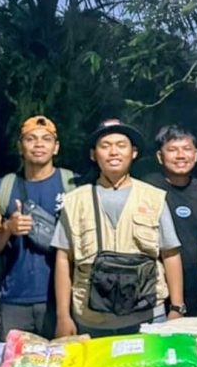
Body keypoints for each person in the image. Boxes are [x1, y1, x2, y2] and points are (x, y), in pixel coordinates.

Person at [52, 118, 185, 337]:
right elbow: (63, 258)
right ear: (94, 155)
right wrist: (63, 317)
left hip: (148, 317)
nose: (113, 152)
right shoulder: (75, 201)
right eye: (105, 146)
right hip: (91, 320)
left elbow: (170, 254)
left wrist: (177, 308)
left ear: (133, 152)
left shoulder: (153, 198)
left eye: (121, 145)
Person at [0, 115, 76, 339]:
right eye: (30, 139)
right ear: (20, 146)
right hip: (15, 299)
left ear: (56, 148)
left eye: (46, 139)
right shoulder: (3, 187)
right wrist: (7, 228)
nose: (38, 145)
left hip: (61, 300)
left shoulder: (73, 185)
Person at [145, 124, 197, 318]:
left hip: (193, 293)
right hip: (155, 295)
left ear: (196, 155)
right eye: (172, 150)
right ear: (159, 156)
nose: (181, 155)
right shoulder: (148, 189)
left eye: (186, 149)